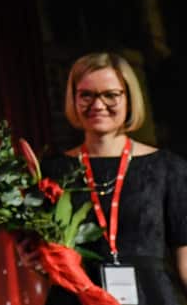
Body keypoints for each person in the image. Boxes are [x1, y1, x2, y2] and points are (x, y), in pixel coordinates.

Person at [32, 53, 187, 305]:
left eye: (110, 95)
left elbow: (185, 255)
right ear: (73, 99)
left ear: (129, 98)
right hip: (75, 298)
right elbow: (44, 258)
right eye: (86, 95)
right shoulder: (51, 171)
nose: (98, 105)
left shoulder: (168, 168)